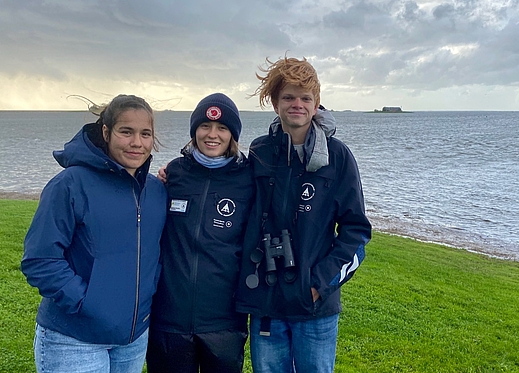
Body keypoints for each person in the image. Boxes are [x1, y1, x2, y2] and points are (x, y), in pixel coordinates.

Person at [235, 57, 372, 373]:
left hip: (316, 307)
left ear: (316, 104)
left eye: (305, 98)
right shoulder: (259, 152)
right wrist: (172, 176)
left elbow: (356, 231)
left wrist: (319, 284)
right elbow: (230, 194)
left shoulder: (337, 157)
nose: (297, 104)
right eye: (288, 97)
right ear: (275, 102)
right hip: (265, 302)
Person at [21, 94, 167, 373]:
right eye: (126, 132)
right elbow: (40, 260)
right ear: (106, 132)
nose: (137, 142)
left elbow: (155, 254)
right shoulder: (69, 184)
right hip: (73, 339)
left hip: (132, 340)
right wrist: (89, 303)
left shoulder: (157, 190)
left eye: (145, 134)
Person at [146, 93, 253, 373]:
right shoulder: (175, 173)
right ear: (194, 131)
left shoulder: (248, 179)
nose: (212, 135)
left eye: (222, 128)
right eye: (205, 126)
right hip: (169, 318)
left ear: (233, 135)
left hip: (224, 321)